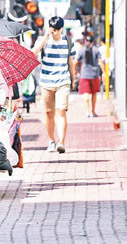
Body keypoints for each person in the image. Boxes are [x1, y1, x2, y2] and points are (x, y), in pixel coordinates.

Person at [31, 16, 76, 154]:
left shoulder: (68, 42)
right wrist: (45, 38)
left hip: (63, 81)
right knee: (49, 113)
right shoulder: (43, 39)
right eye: (52, 30)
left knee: (61, 111)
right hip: (46, 82)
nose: (54, 32)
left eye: (56, 30)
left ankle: (61, 142)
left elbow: (71, 63)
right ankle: (51, 140)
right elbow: (33, 53)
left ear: (61, 29)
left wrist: (73, 80)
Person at [75, 36, 105, 117]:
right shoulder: (96, 50)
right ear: (93, 42)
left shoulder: (82, 50)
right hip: (94, 75)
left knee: (86, 93)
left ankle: (87, 112)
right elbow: (101, 62)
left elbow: (75, 62)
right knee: (94, 93)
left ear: (85, 41)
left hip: (84, 75)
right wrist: (104, 72)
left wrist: (75, 71)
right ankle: (93, 111)